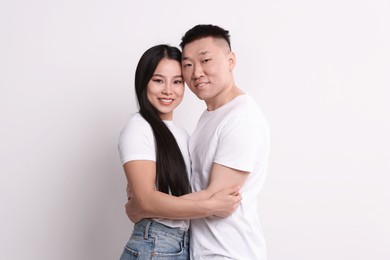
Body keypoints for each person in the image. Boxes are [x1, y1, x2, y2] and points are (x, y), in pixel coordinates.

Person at [127, 25, 270, 259]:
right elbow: (196, 188)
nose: (196, 73)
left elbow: (217, 198)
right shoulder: (211, 115)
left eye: (205, 60)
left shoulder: (242, 119)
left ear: (230, 60)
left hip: (229, 252)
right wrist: (147, 201)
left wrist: (147, 206)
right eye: (188, 65)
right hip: (198, 249)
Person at [118, 44, 242, 260]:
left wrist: (145, 207)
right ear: (143, 81)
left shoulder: (183, 135)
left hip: (182, 244)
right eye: (158, 80)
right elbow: (147, 199)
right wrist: (211, 206)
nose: (168, 90)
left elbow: (157, 200)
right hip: (155, 244)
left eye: (177, 81)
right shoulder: (138, 128)